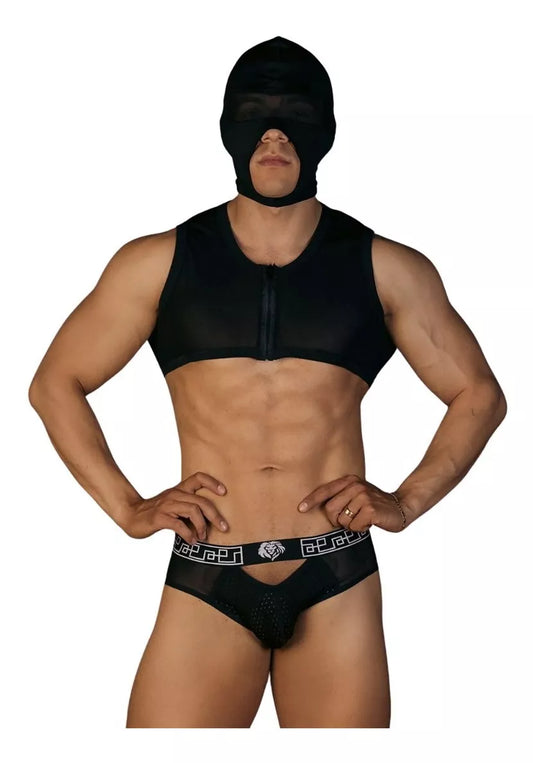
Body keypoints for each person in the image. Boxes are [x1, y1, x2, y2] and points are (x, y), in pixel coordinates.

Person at [28, 36, 507, 728]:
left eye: (294, 117)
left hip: (335, 575)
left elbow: (479, 394)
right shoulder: (157, 262)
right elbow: (55, 383)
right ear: (229, 130)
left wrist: (406, 500)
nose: (274, 134)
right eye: (256, 115)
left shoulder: (387, 267)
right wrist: (128, 508)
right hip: (209, 574)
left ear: (326, 132)